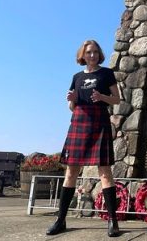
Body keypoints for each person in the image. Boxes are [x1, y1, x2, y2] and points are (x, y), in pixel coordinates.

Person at [46, 40, 121, 237]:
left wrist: (102, 97)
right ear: (83, 55)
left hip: (99, 122)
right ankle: (60, 220)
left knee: (104, 171)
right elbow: (72, 107)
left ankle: (113, 222)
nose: (92, 55)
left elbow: (117, 99)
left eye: (95, 52)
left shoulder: (106, 74)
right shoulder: (77, 77)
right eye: (89, 52)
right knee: (71, 171)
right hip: (79, 121)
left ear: (99, 54)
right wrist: (70, 101)